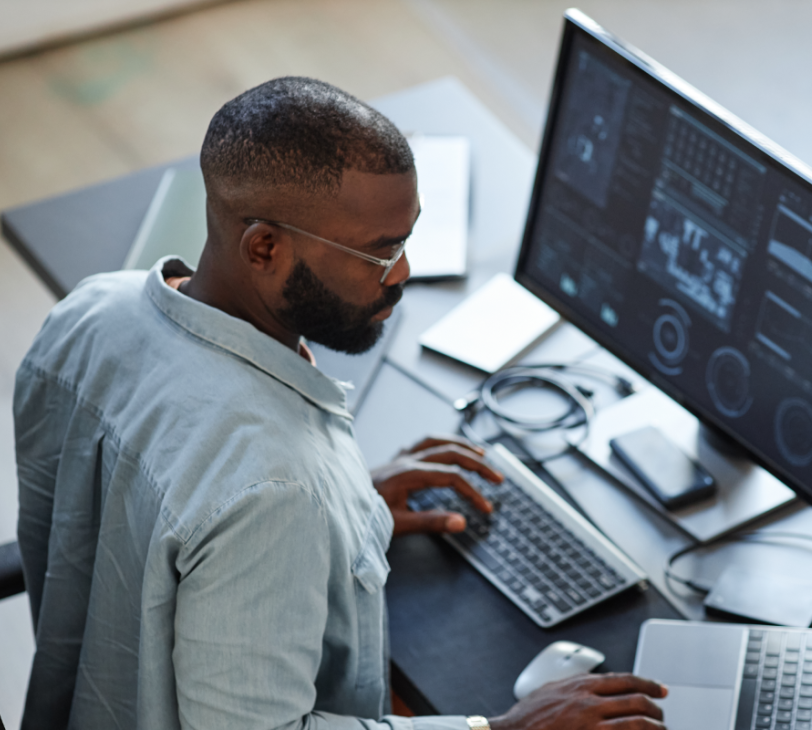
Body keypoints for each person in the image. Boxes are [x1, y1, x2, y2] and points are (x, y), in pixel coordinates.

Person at [14, 77, 668, 730]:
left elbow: (159, 499)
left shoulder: (90, 311)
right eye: (380, 254)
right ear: (264, 247)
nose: (404, 274)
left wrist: (344, 509)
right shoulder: (273, 489)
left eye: (407, 240)